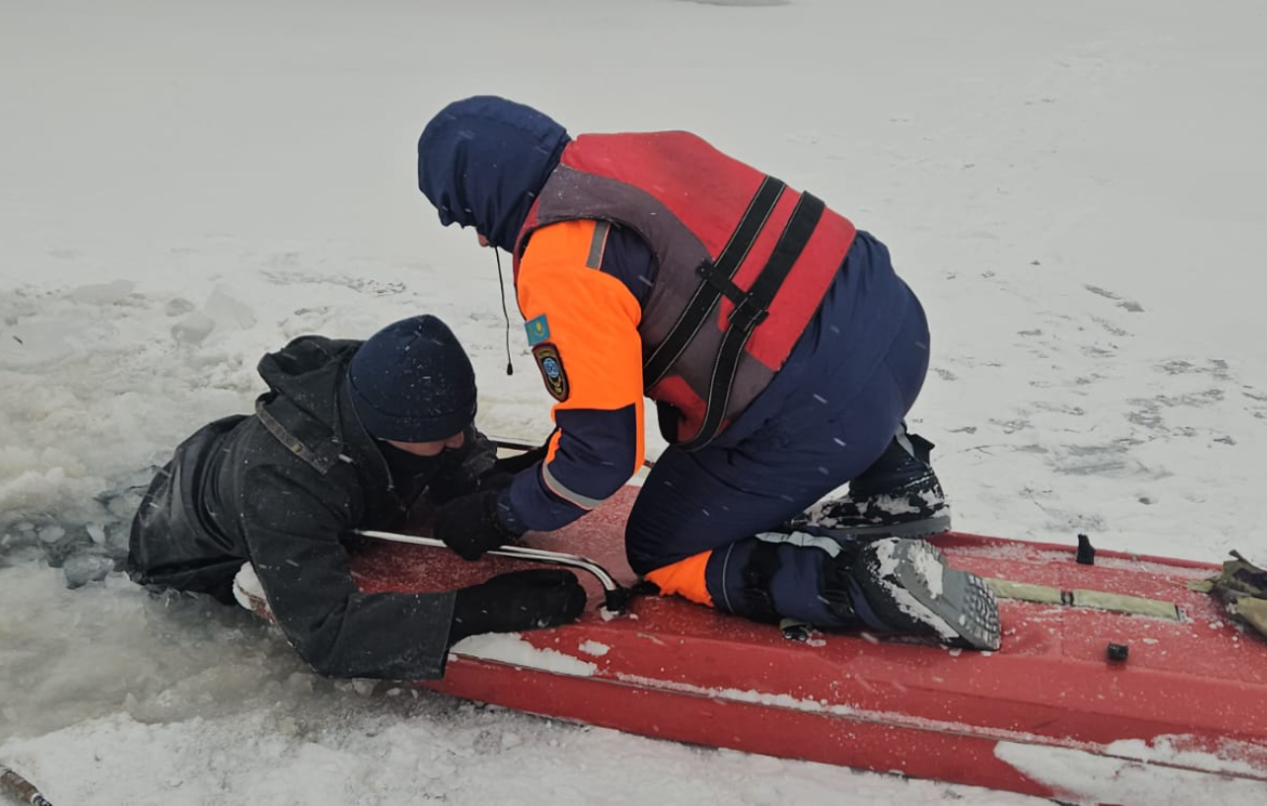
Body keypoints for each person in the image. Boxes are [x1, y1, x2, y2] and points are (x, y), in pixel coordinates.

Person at [414, 96, 1000, 651]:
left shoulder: (564, 263)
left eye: (468, 219)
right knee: (799, 326)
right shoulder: (635, 153)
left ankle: (862, 581)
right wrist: (542, 460)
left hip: (823, 407)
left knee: (658, 545)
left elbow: (602, 462)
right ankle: (896, 483)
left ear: (484, 195)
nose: (487, 237)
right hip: (894, 326)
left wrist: (503, 513)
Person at [126, 314, 588, 681]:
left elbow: (457, 444)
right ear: (386, 429)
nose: (455, 442)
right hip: (182, 548)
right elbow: (327, 633)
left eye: (458, 426)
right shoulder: (283, 480)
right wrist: (480, 609)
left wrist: (483, 481)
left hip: (220, 460)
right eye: (438, 436)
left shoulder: (396, 393)